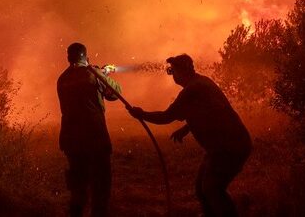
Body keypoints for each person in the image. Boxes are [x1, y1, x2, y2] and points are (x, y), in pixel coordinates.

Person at [129, 54, 251, 217]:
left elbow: (167, 116)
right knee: (202, 189)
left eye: (173, 71)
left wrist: (141, 114)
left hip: (229, 147)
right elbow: (210, 112)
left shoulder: (192, 90)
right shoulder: (203, 82)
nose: (172, 75)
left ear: (182, 71)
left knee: (212, 188)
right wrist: (187, 128)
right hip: (226, 145)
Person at [57, 42, 122, 217]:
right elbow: (115, 93)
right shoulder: (93, 74)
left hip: (71, 140)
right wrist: (103, 72)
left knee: (78, 188)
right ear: (86, 56)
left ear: (68, 57)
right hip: (94, 138)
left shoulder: (62, 78)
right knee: (100, 186)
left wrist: (98, 71)